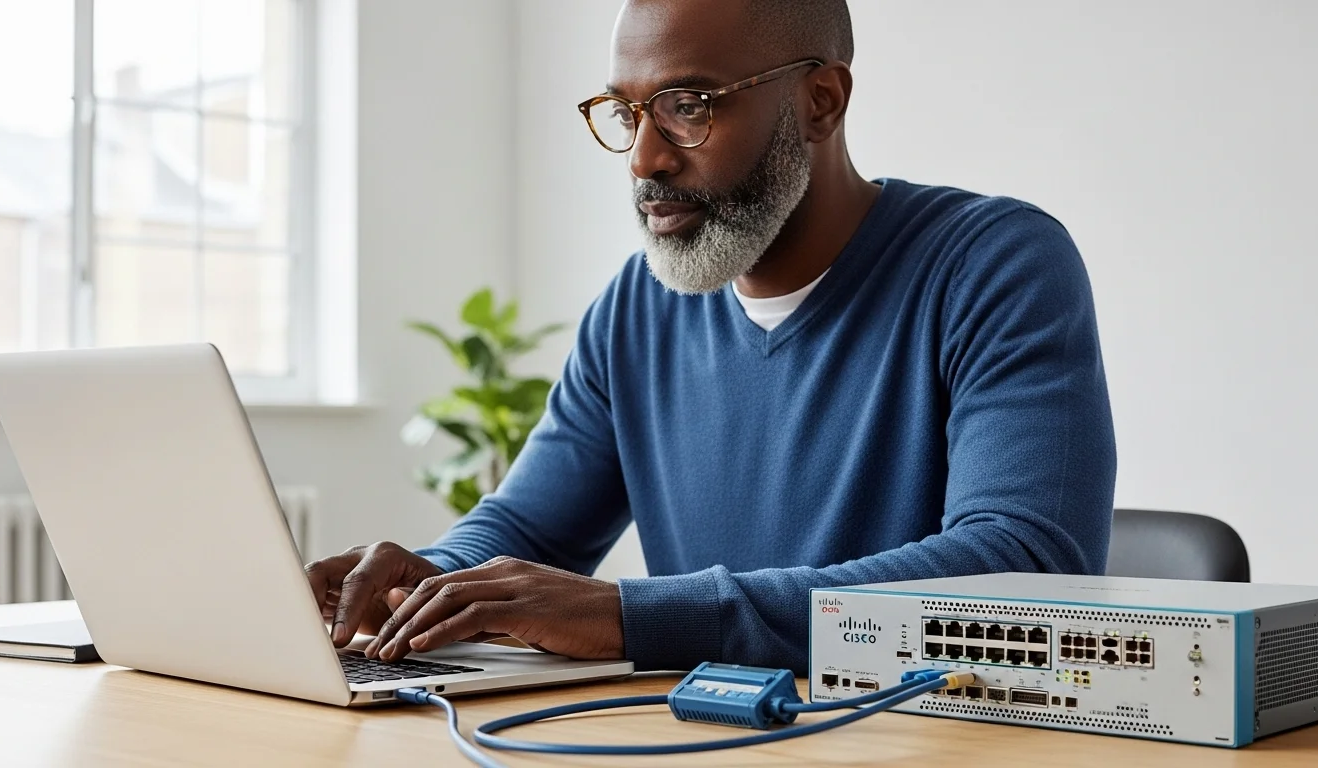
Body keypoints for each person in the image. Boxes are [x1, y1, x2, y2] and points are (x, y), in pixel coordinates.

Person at [304, 0, 1116, 674]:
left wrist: (632, 616)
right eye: (627, 112)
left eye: (687, 106)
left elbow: (1023, 566)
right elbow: (526, 530)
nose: (644, 159)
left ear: (820, 101)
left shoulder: (993, 262)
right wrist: (430, 582)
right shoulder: (636, 307)